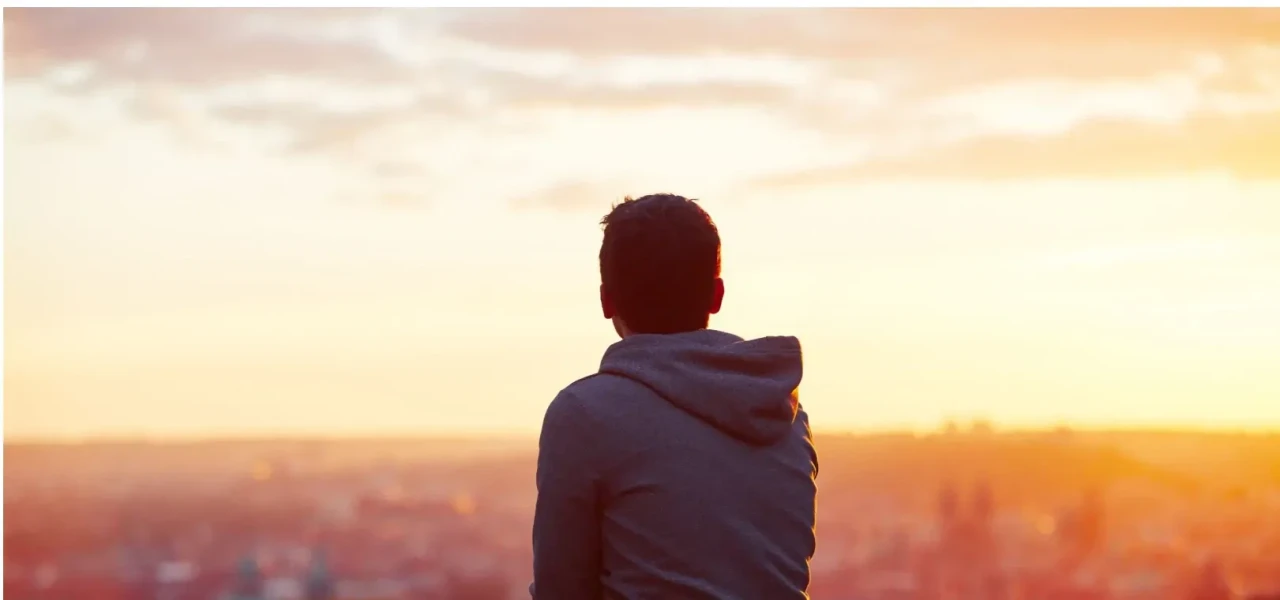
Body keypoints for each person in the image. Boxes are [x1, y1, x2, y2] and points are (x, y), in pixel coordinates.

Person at [531, 194, 818, 599]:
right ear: (717, 296)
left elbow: (559, 593)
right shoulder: (784, 413)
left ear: (606, 300)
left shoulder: (584, 415)